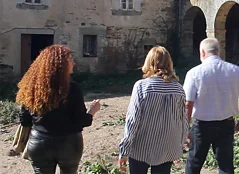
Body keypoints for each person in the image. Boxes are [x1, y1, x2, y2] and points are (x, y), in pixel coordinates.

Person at [16, 45, 101, 174]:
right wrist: (92, 111)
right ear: (61, 66)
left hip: (39, 143)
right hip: (69, 144)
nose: (73, 63)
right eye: (69, 60)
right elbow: (82, 121)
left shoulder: (31, 89)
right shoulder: (72, 89)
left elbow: (24, 120)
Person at [184, 38, 239, 174]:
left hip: (201, 126)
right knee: (225, 165)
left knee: (194, 163)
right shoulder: (235, 71)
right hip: (226, 123)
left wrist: (185, 128)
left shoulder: (194, 73)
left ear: (202, 52)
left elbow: (188, 103)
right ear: (218, 52)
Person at [118, 46, 188, 174]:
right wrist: (179, 146)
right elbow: (182, 121)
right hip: (167, 147)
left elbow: (133, 120)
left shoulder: (142, 86)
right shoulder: (178, 89)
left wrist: (124, 150)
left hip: (142, 146)